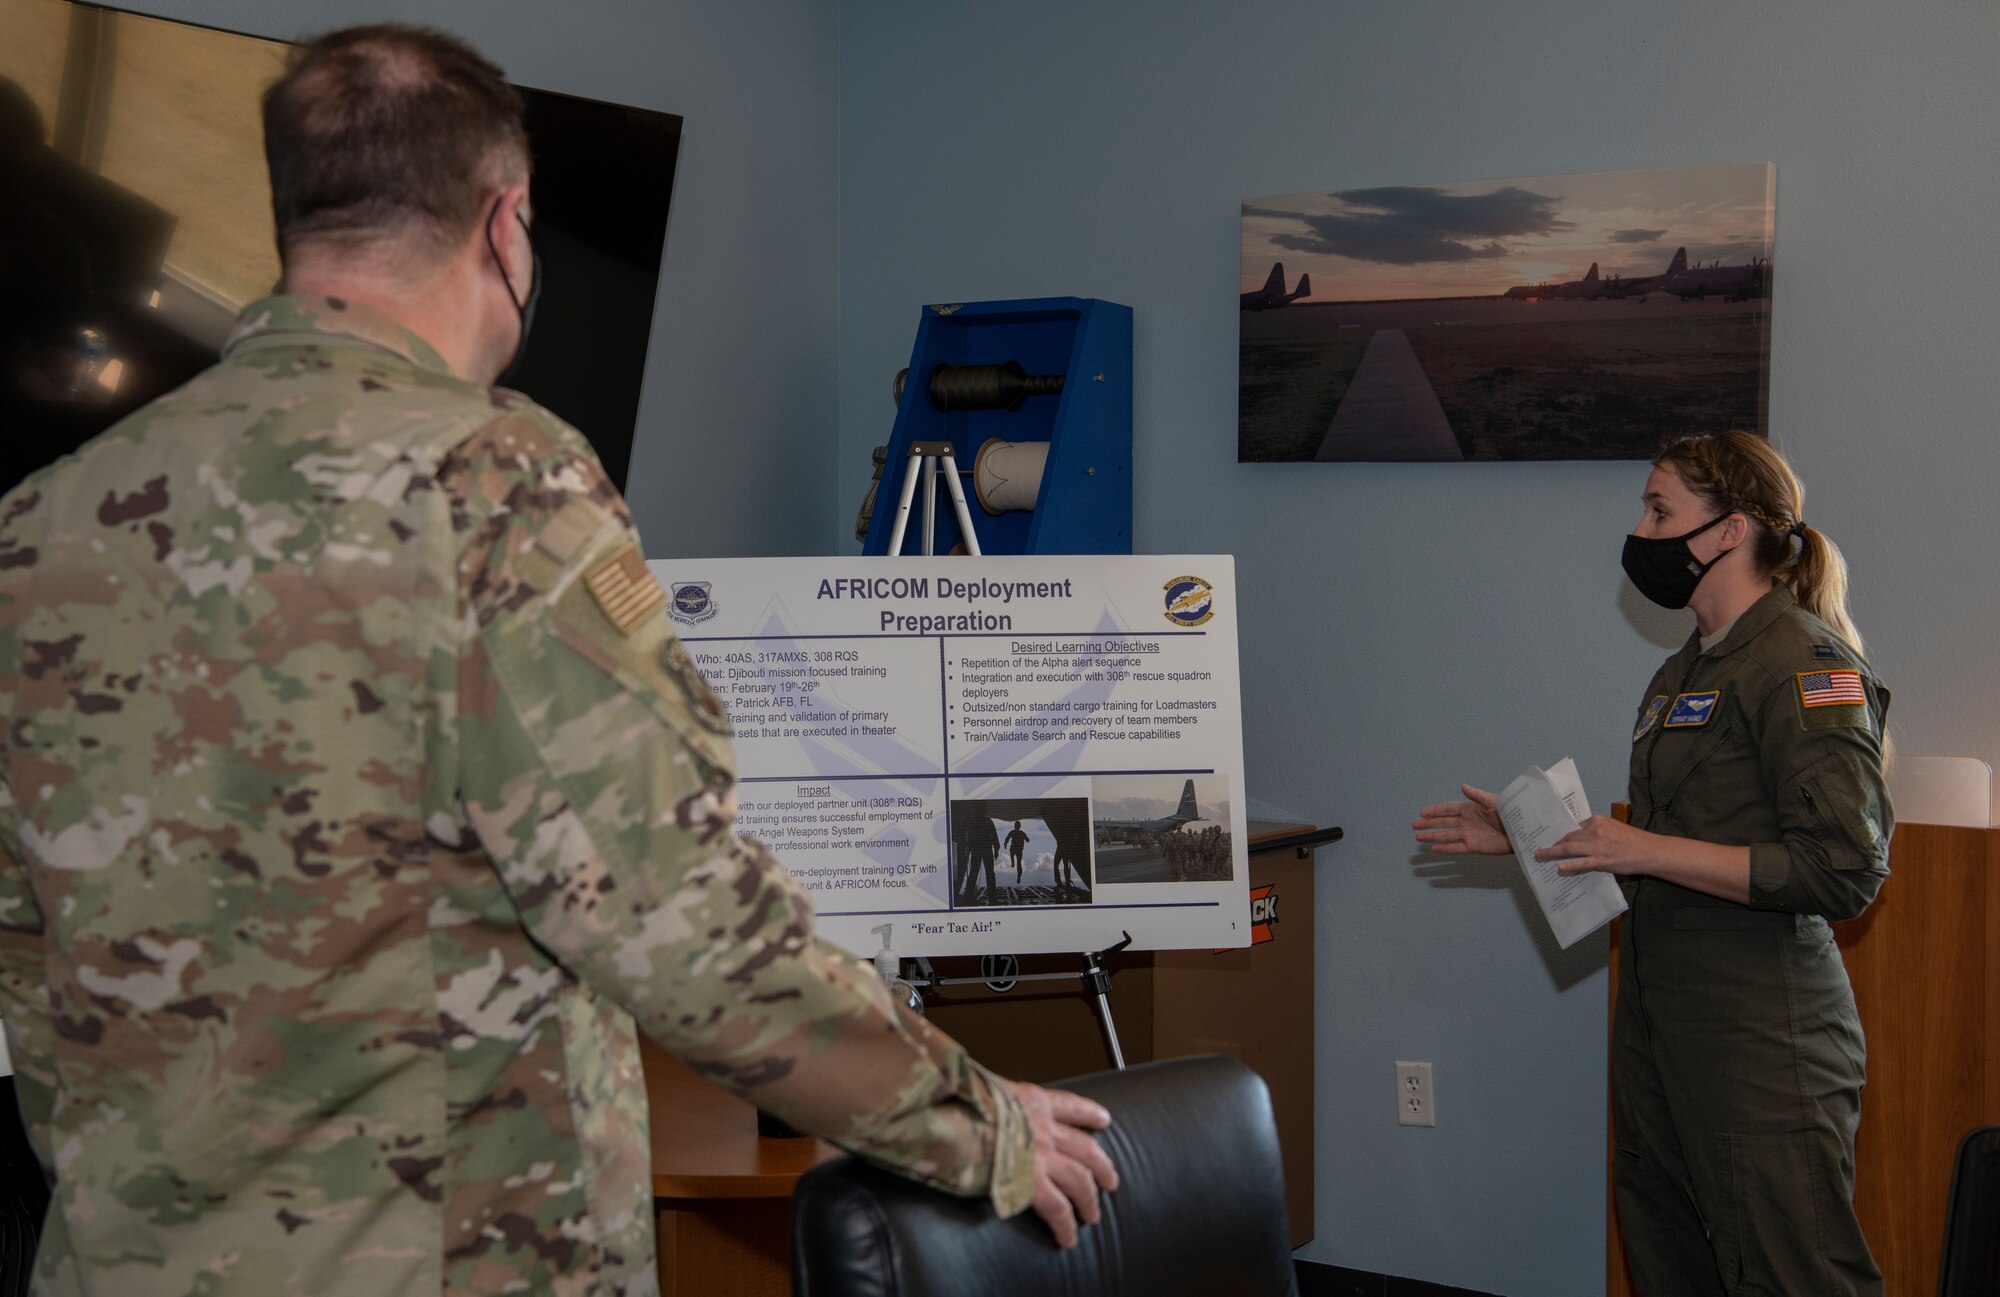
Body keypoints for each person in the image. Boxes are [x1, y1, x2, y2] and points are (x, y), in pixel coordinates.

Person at [0, 25, 1115, 1296]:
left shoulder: (41, 522)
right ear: (506, 224)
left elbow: (27, 957)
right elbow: (680, 914)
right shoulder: (497, 484)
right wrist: (981, 1125)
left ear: (294, 217)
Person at [1414, 431, 1890, 1296]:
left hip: (1759, 1033)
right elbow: (1673, 848)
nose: (1641, 528)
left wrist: (1645, 845)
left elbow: (1846, 869)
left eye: (1660, 509)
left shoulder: (1805, 662)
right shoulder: (1680, 673)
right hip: (1659, 1026)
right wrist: (1532, 841)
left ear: (1729, 531)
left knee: (1796, 1275)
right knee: (1671, 1262)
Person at [1006, 820, 1031, 884]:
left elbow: (1007, 838)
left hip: (1014, 849)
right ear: (1020, 826)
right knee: (1019, 863)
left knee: (1011, 853)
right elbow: (1027, 840)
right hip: (1019, 850)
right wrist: (1026, 839)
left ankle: (1012, 863)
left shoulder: (1012, 832)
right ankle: (1018, 875)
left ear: (1015, 826)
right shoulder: (1022, 833)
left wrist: (1005, 844)